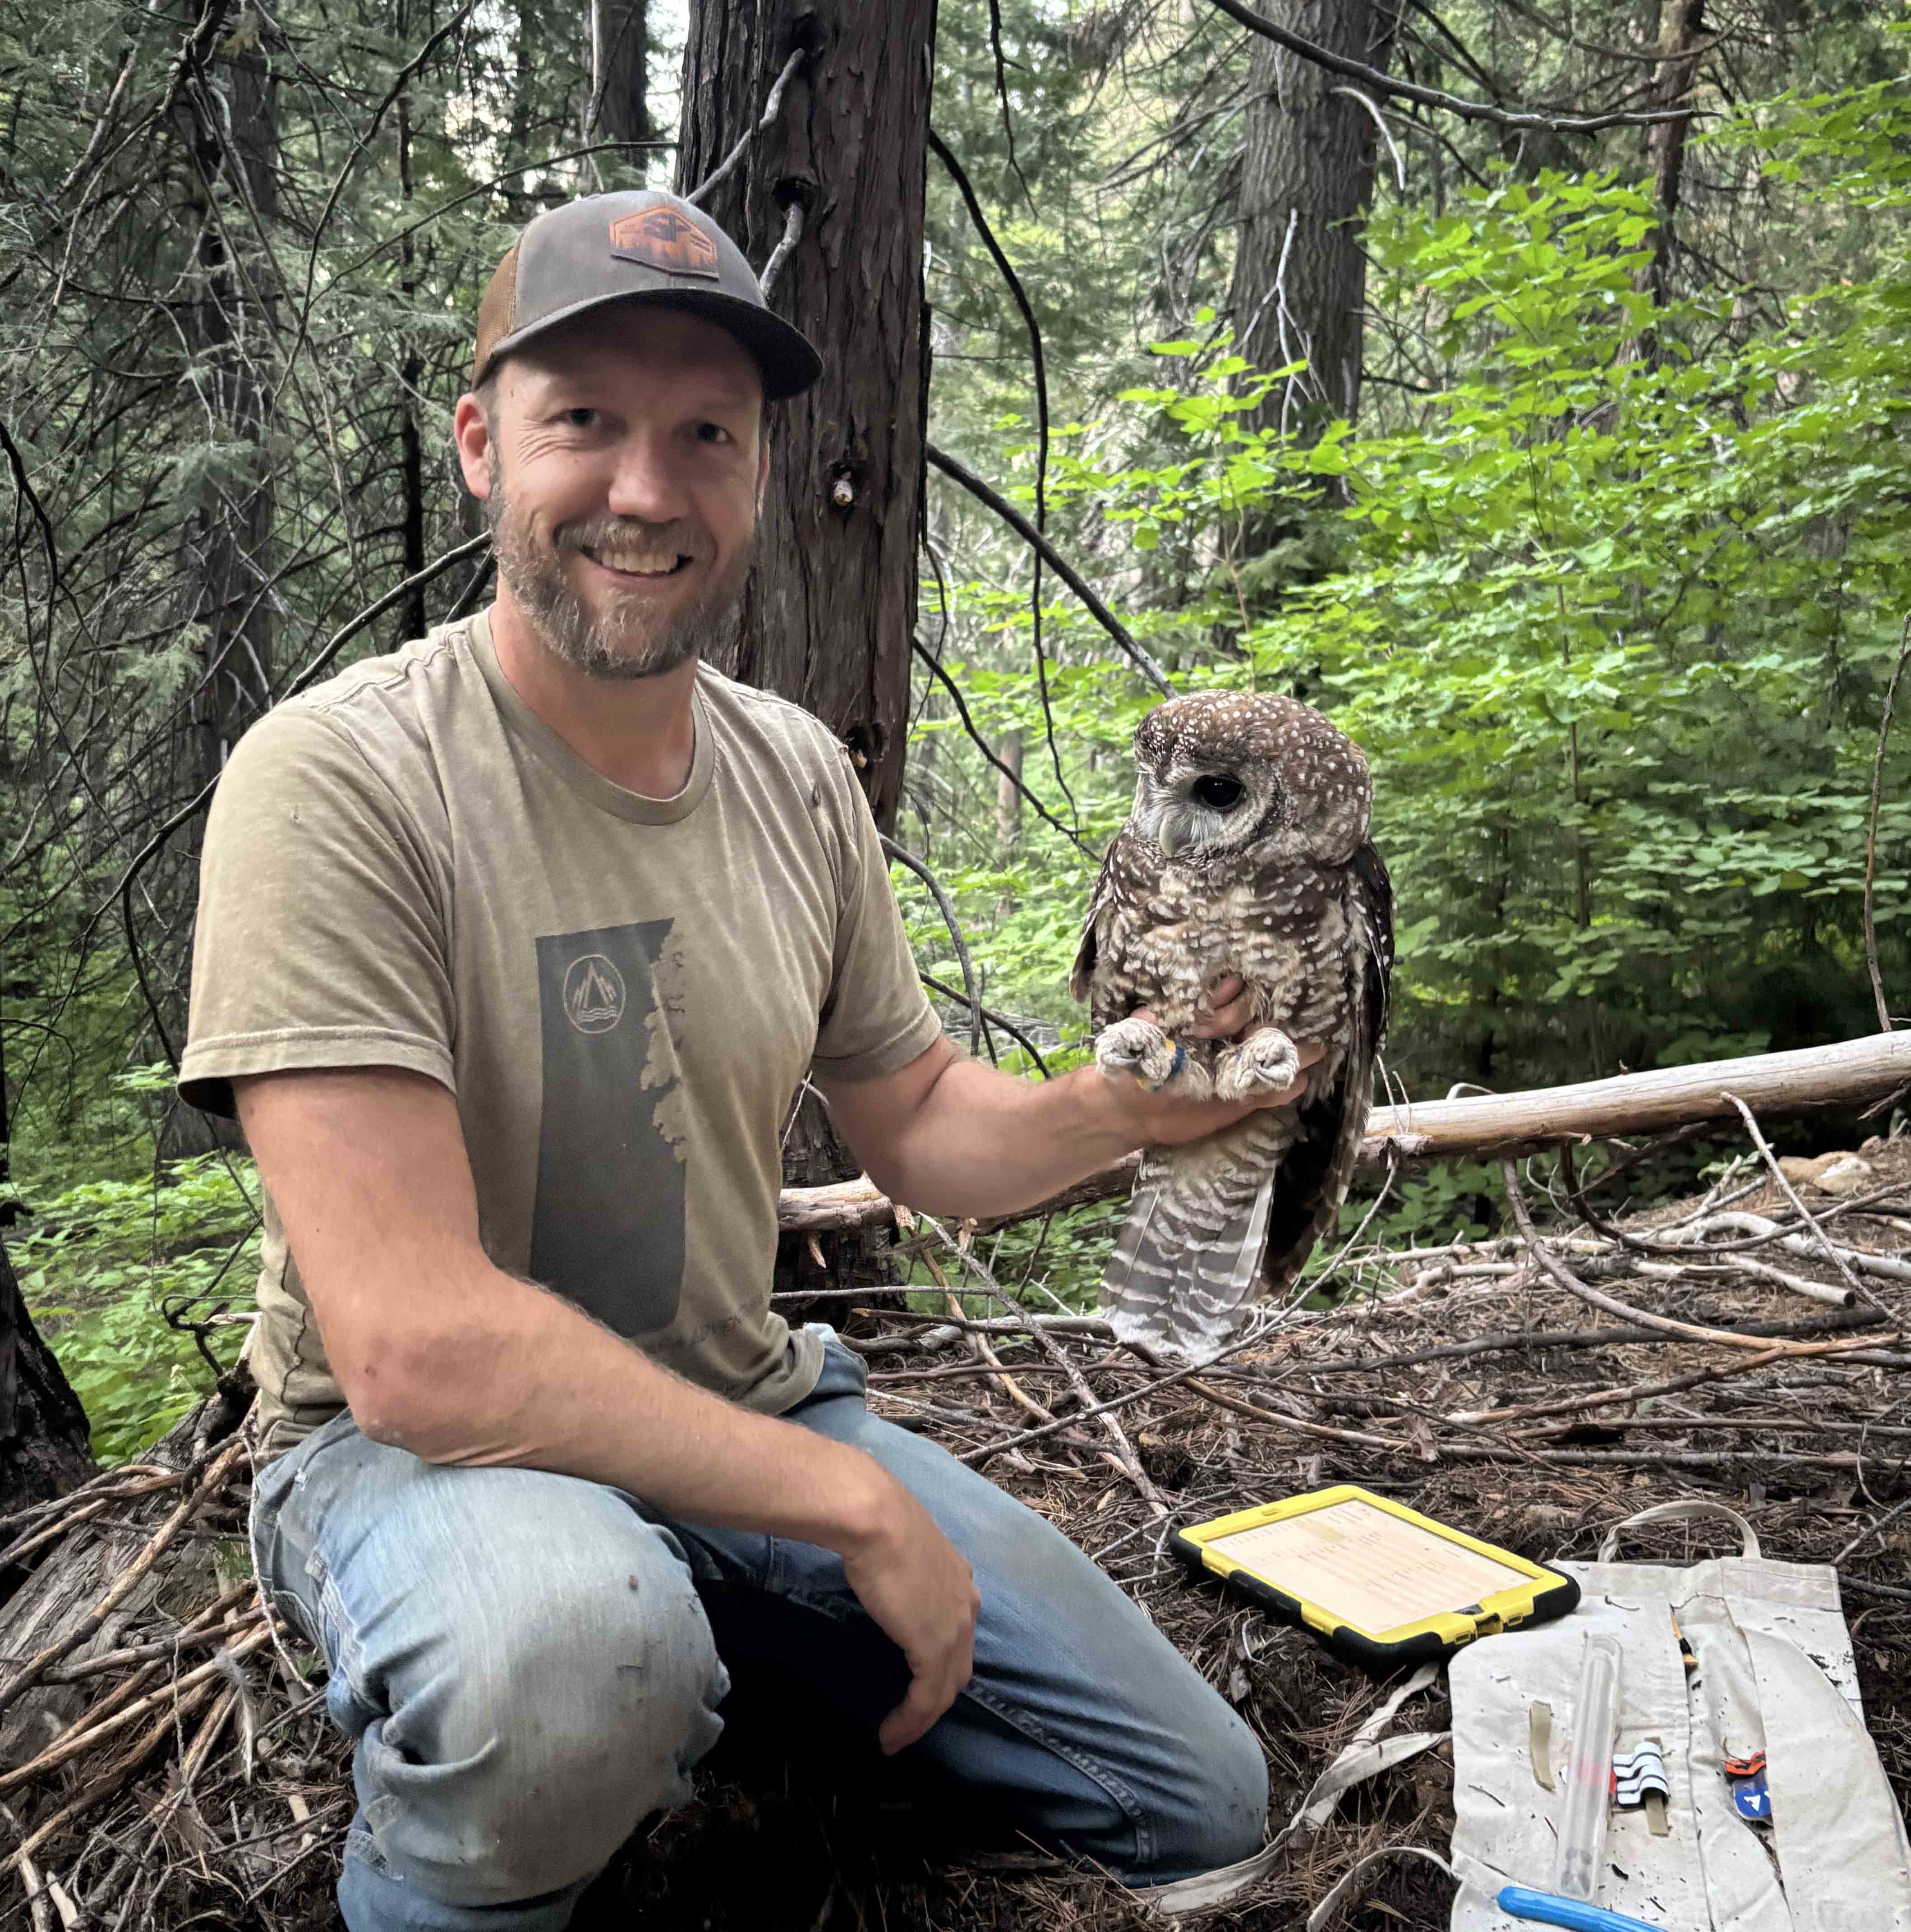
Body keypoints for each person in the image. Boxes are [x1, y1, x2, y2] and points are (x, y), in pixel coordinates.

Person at [181, 189, 1312, 1932]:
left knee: (1190, 1793)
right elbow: (409, 1347)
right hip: (416, 1464)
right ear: (484, 446)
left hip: (738, 1401)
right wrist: (845, 1499)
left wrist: (1121, 1107)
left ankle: (711, 1678)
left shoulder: (793, 778)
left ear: (760, 474)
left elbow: (921, 1121)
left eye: (704, 434)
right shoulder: (338, 779)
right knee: (561, 1666)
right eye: (585, 425)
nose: (645, 491)